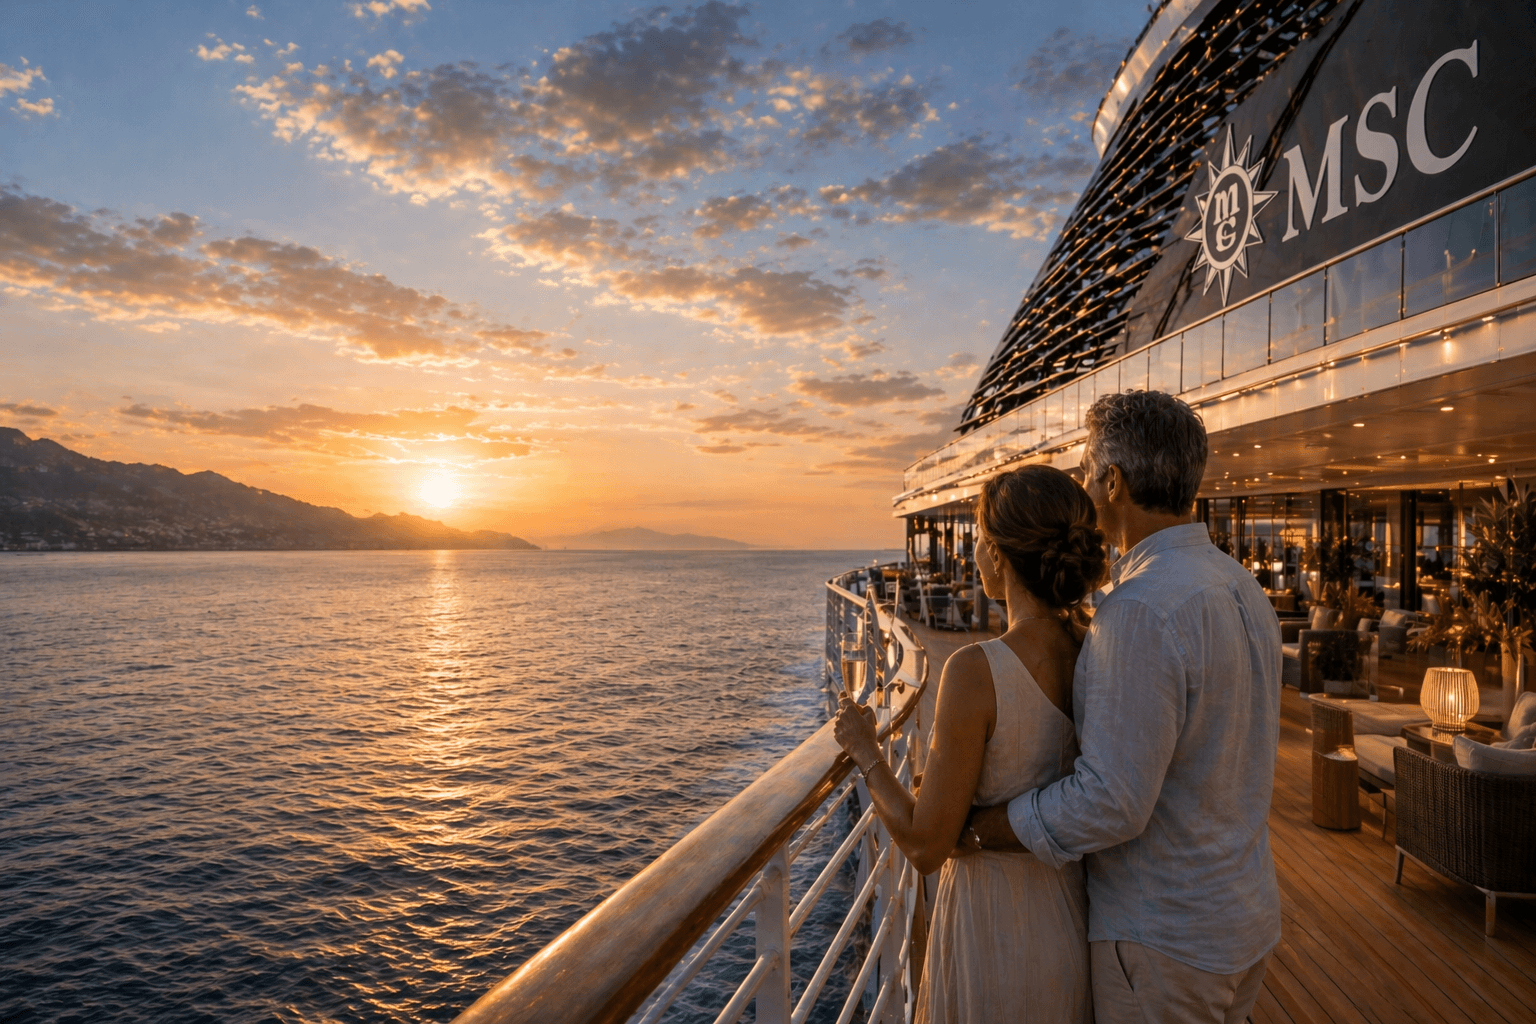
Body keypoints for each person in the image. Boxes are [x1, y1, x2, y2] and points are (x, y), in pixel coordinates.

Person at [965, 390, 1282, 1024]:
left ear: (1112, 483)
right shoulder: (1239, 584)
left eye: (1087, 470)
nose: (1083, 484)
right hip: (1242, 916)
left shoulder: (1139, 609)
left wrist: (979, 827)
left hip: (1164, 939)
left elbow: (1110, 801)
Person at [833, 464, 1107, 1024]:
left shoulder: (974, 671)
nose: (975, 551)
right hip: (1068, 919)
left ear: (1000, 556)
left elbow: (925, 845)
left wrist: (866, 752)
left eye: (980, 537)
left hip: (992, 929)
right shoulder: (1093, 650)